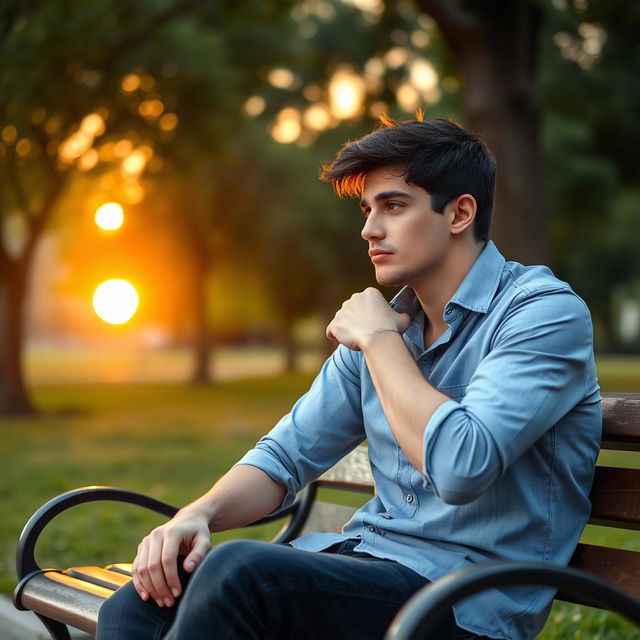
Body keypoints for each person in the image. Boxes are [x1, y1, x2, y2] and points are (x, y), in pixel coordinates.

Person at [96, 115, 601, 640]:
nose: (369, 229)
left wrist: (380, 342)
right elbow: (286, 456)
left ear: (460, 213)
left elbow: (460, 468)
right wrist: (197, 515)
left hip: (464, 603)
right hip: (368, 566)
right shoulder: (385, 325)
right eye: (367, 210)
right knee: (139, 603)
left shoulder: (541, 315)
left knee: (242, 576)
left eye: (394, 206)